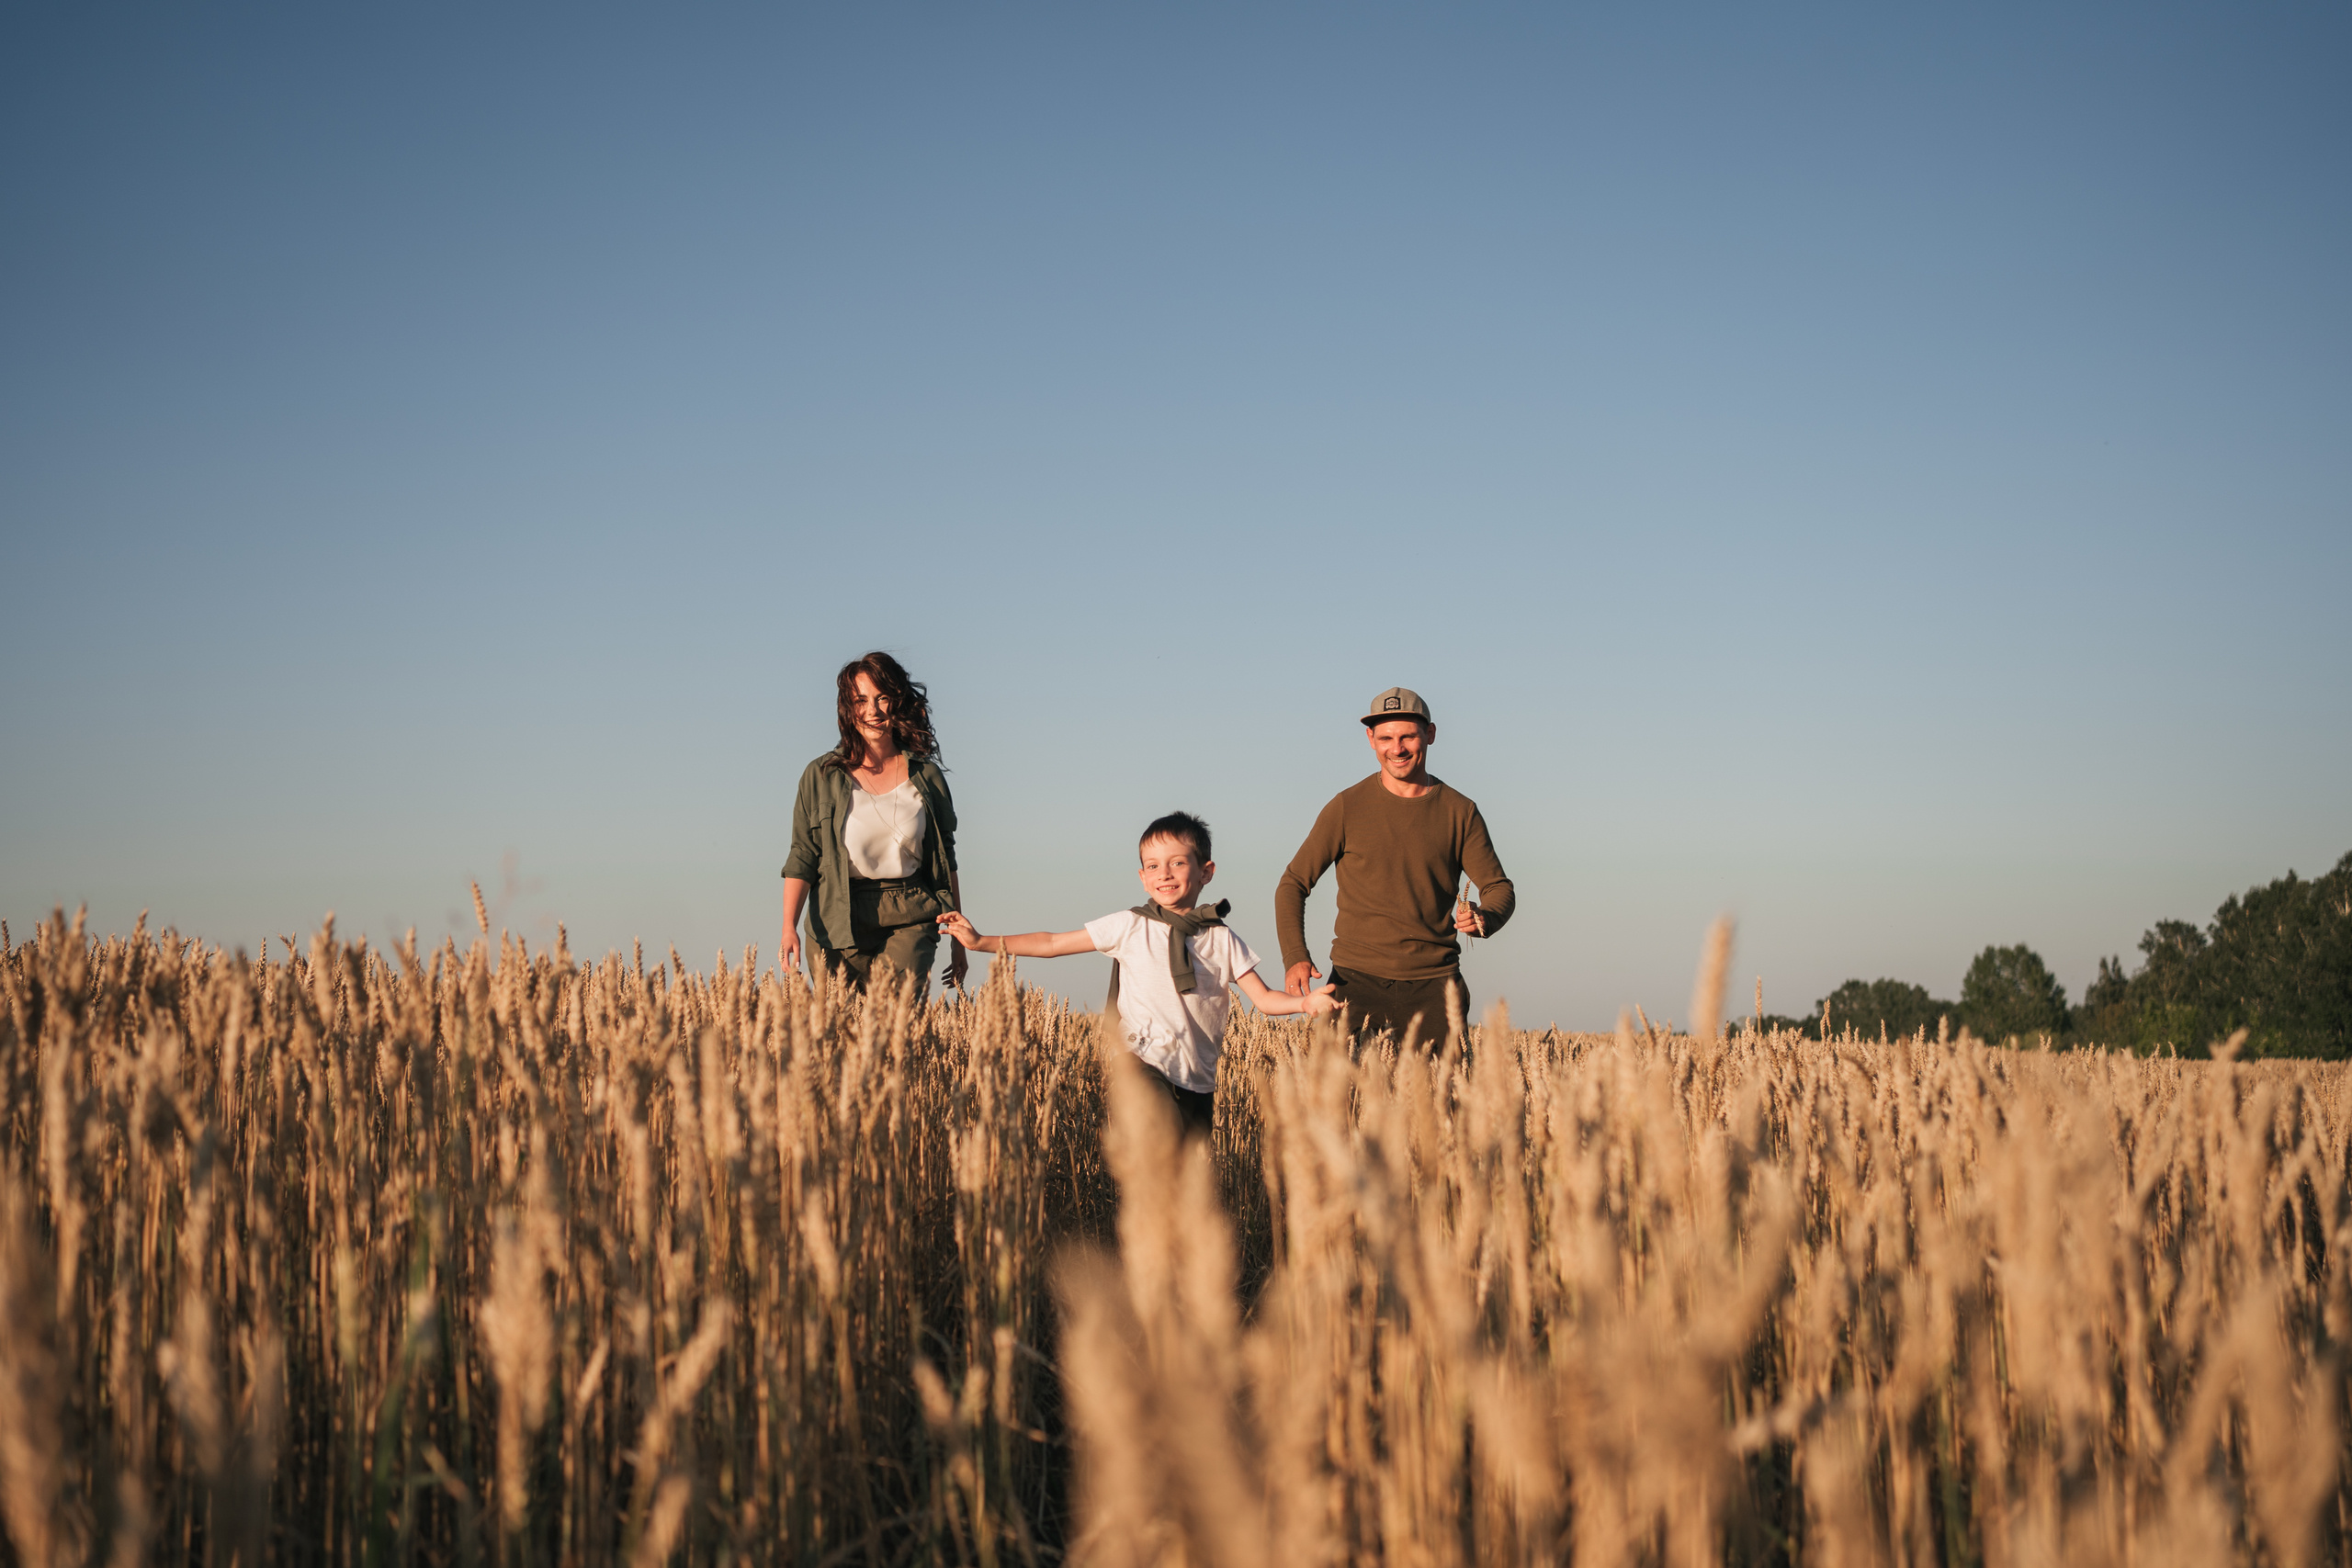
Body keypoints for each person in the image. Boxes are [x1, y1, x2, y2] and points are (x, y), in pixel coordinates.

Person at [937, 811, 1336, 1138]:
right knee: (1157, 1129)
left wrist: (1304, 1003)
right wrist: (981, 941)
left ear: (1206, 872)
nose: (1165, 874)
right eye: (1153, 866)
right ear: (1143, 877)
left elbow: (1264, 999)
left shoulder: (1221, 938)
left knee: (1182, 1179)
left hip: (1197, 1076)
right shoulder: (1130, 926)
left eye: (1178, 863)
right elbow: (1053, 943)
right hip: (1142, 1059)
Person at [1276, 686, 1515, 1043]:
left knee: (1440, 1083)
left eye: (1408, 737)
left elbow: (1499, 888)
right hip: (1353, 985)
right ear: (1371, 739)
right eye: (1386, 738)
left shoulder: (1460, 811)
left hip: (1435, 989)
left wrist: (1485, 917)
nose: (1397, 748)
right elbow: (1293, 883)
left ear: (1430, 734)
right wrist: (1295, 956)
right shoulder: (1346, 807)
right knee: (1342, 1084)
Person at [781, 651, 967, 997]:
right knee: (838, 1025)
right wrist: (788, 927)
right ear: (847, 709)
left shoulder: (926, 776)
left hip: (910, 912)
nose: (873, 711)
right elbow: (802, 855)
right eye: (861, 700)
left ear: (898, 703)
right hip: (836, 918)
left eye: (883, 698)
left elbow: (946, 861)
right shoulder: (820, 775)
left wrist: (959, 940)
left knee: (892, 1017)